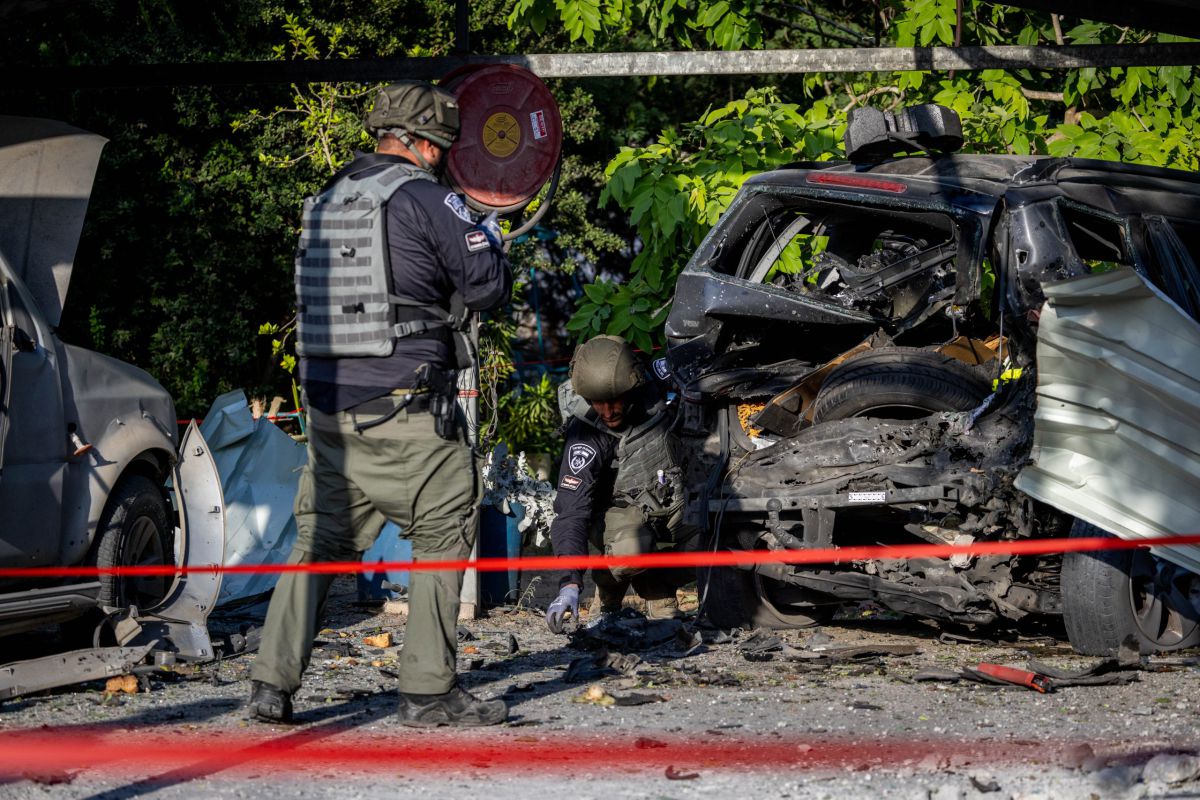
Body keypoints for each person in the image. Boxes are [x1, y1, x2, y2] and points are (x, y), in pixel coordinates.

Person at [249, 81, 512, 727]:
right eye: (441, 147)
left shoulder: (324, 201)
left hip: (331, 413)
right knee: (443, 535)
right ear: (426, 143)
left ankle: (269, 687)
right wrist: (489, 237)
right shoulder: (428, 197)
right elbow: (485, 288)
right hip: (409, 409)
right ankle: (427, 693)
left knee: (317, 542)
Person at [544, 335, 699, 633]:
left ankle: (657, 584)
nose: (608, 411)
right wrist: (570, 585)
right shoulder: (586, 436)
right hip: (619, 518)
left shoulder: (654, 381)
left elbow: (696, 360)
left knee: (716, 535)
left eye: (614, 400)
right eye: (597, 402)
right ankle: (609, 583)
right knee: (631, 550)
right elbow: (571, 512)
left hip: (671, 500)